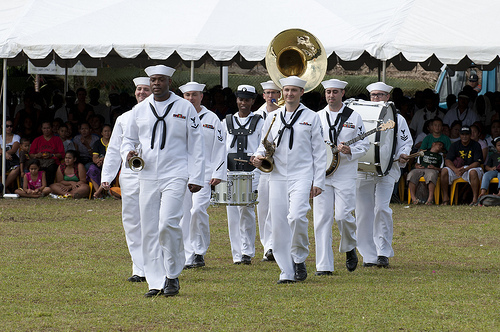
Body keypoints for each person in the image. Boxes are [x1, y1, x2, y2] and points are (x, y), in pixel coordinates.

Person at [122, 65, 205, 297]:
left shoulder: (184, 107)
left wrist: (197, 175)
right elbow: (128, 139)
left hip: (175, 173)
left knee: (167, 224)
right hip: (147, 174)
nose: (156, 83)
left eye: (160, 79)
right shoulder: (140, 109)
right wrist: (128, 153)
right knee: (149, 229)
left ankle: (172, 273)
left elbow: (196, 143)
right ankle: (156, 282)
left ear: (170, 81)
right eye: (152, 80)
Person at [252, 76, 326, 283]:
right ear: (282, 92)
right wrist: (258, 157)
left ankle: (299, 257)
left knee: (296, 217)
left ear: (302, 93)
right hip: (276, 176)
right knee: (278, 224)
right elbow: (263, 143)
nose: (289, 94)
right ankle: (286, 270)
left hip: (301, 175)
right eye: (286, 90)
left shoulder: (311, 117)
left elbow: (319, 152)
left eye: (294, 90)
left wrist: (318, 181)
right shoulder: (273, 117)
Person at [96, 77, 151, 283]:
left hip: (152, 173)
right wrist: (107, 178)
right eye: (138, 89)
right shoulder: (124, 118)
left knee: (151, 219)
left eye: (146, 89)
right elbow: (113, 150)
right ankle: (138, 267)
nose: (141, 93)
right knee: (131, 220)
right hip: (130, 173)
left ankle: (155, 265)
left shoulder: (160, 115)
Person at [313, 79, 369, 275]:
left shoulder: (354, 117)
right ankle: (324, 266)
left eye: (335, 92)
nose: (331, 96)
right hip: (323, 174)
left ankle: (349, 247)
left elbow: (365, 145)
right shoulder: (317, 117)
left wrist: (350, 149)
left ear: (342, 93)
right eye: (328, 92)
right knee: (322, 218)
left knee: (343, 216)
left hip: (345, 173)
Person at [356, 82, 413, 268]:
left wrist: (403, 154)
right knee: (363, 212)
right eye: (373, 95)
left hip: (388, 169)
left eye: (380, 95)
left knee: (381, 209)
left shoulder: (398, 118)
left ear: (388, 97)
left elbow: (405, 142)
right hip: (364, 170)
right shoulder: (360, 117)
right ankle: (367, 253)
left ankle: (383, 252)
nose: (376, 98)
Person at [178, 82, 226, 268]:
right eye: (187, 95)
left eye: (194, 95)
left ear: (201, 97)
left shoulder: (212, 118)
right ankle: (188, 253)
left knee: (197, 210)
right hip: (182, 172)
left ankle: (199, 249)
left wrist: (218, 172)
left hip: (205, 173)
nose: (191, 98)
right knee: (184, 214)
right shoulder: (178, 116)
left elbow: (220, 147)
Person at [222, 85, 263, 265]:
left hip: (251, 170)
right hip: (231, 169)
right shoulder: (227, 121)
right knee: (232, 213)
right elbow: (221, 146)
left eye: (247, 100)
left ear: (253, 101)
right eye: (240, 99)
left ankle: (247, 251)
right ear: (236, 100)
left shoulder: (260, 121)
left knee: (246, 211)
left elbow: (264, 144)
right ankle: (237, 254)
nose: (243, 103)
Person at [253, 80, 281, 261]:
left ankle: (275, 244)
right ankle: (267, 247)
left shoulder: (285, 114)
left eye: (274, 93)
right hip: (261, 167)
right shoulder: (255, 116)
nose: (271, 96)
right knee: (262, 209)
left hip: (281, 167)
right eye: (268, 93)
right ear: (263, 96)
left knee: (276, 208)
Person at [440, 126, 483, 206]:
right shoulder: (455, 145)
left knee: (473, 172)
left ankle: (475, 200)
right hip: (457, 169)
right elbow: (448, 160)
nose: (464, 136)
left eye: (467, 134)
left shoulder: (476, 145)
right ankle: (446, 199)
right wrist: (455, 169)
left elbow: (477, 162)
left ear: (470, 135)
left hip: (471, 167)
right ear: (459, 135)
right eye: (462, 134)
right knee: (444, 171)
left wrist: (466, 169)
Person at [29, 121, 65, 185]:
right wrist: (37, 155)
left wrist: (51, 155)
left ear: (51, 128)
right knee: (36, 168)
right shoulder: (37, 140)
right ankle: (36, 186)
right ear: (41, 129)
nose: (46, 130)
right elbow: (31, 154)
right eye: (44, 128)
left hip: (52, 162)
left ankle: (48, 187)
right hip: (39, 161)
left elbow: (62, 154)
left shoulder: (57, 139)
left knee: (51, 169)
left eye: (48, 128)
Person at [87, 124, 112, 193]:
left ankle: (97, 193)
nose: (107, 133)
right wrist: (98, 161)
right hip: (100, 164)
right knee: (91, 169)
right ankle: (98, 191)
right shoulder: (97, 143)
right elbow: (94, 157)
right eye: (105, 131)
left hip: (111, 165)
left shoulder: (114, 142)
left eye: (109, 131)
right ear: (102, 133)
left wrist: (104, 159)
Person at [0, 119, 21, 191]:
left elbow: (14, 149)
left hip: (12, 158)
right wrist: (5, 154)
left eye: (11, 126)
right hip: (2, 158)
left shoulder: (16, 137)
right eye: (7, 126)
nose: (9, 128)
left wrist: (5, 153)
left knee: (17, 168)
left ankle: (3, 187)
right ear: (2, 126)